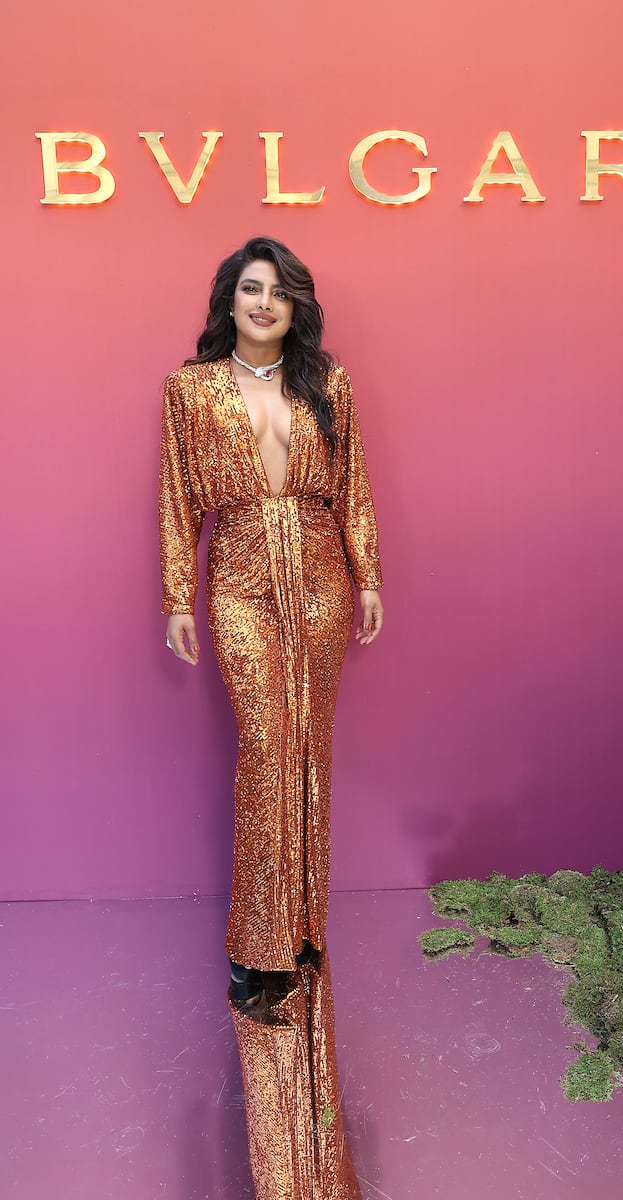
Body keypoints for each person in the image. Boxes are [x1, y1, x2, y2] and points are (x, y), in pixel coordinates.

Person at [159, 235, 383, 1200]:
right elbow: (177, 503)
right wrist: (178, 596)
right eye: (250, 289)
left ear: (297, 308)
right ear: (230, 299)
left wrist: (370, 575)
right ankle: (259, 948)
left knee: (311, 754)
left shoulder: (328, 384)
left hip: (324, 581)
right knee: (266, 745)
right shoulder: (189, 389)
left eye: (280, 293)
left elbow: (356, 489)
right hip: (243, 581)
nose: (263, 303)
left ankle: (304, 926)